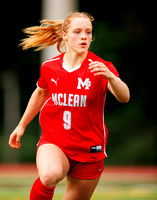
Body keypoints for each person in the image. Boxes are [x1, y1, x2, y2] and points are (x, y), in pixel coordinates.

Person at [9, 12, 130, 200]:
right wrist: (21, 125)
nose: (84, 36)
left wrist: (111, 77)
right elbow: (41, 92)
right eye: (77, 31)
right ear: (64, 34)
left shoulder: (100, 67)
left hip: (89, 149)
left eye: (88, 32)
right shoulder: (50, 67)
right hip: (55, 141)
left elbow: (124, 97)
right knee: (49, 175)